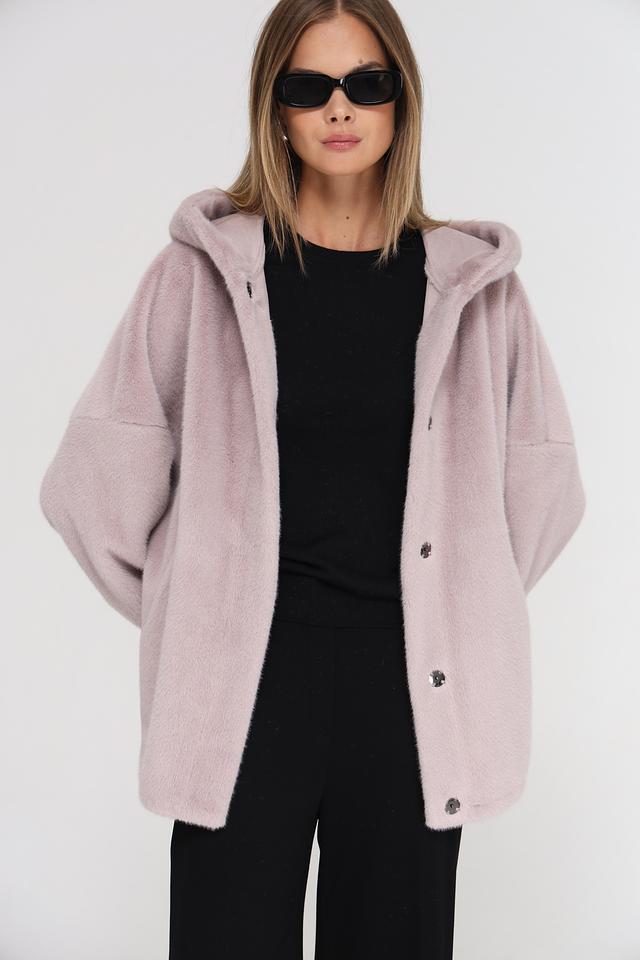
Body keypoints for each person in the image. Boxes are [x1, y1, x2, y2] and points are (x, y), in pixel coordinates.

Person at [39, 1, 587, 957]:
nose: (340, 108)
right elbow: (93, 485)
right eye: (309, 86)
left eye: (367, 83)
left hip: (414, 698)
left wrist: (454, 599)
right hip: (244, 694)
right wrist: (197, 600)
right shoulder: (198, 277)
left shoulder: (476, 292)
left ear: (402, 99)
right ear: (275, 107)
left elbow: (542, 498)